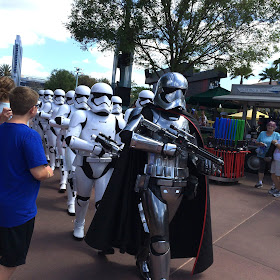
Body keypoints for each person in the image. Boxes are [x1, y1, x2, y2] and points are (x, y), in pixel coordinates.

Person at [85, 72, 219, 279]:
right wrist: (162, 147)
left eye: (179, 91)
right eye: (169, 90)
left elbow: (192, 155)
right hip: (152, 182)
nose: (174, 96)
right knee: (160, 237)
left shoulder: (187, 121)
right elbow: (128, 135)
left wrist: (203, 163)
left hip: (180, 185)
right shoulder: (147, 113)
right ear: (161, 91)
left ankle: (144, 257)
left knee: (160, 231)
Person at [0, 86, 54, 280]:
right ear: (33, 109)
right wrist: (49, 171)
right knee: (10, 260)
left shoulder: (1, 128)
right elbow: (39, 172)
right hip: (17, 210)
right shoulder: (29, 135)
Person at [65, 83, 125, 239]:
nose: (104, 100)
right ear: (92, 97)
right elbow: (70, 139)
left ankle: (100, 232)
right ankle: (79, 224)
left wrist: (117, 149)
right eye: (99, 96)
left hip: (106, 164)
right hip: (85, 162)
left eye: (108, 97)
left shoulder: (117, 120)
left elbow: (122, 142)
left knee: (102, 203)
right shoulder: (82, 115)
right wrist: (93, 148)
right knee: (83, 199)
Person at [255, 121, 280, 188]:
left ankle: (274, 185)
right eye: (269, 125)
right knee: (261, 168)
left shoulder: (277, 135)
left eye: (272, 126)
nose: (270, 127)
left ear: (274, 128)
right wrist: (259, 143)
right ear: (267, 126)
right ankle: (260, 182)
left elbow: (278, 145)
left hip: (271, 155)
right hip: (262, 153)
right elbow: (256, 142)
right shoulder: (262, 133)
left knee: (272, 170)